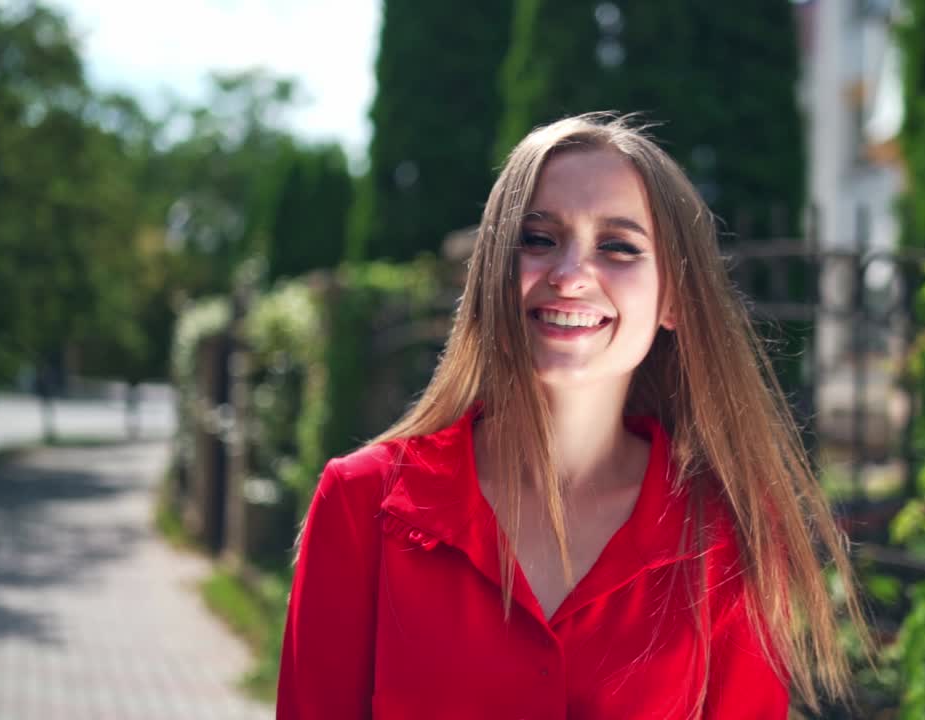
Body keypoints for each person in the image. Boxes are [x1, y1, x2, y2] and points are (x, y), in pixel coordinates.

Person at [276, 113, 870, 719]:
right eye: (537, 240)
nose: (570, 276)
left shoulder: (725, 532)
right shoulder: (362, 502)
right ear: (490, 277)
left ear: (673, 300)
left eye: (618, 246)